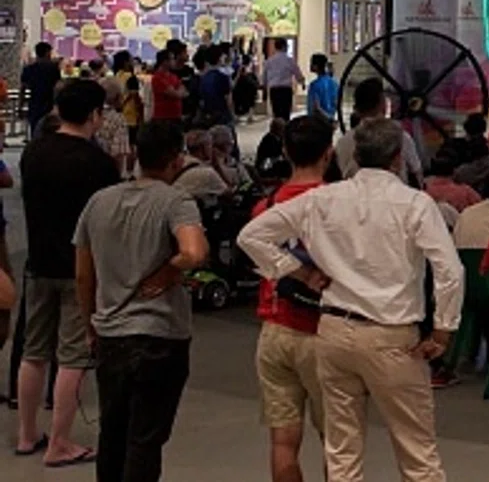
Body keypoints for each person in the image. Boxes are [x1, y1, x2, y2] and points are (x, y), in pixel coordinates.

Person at [238, 118, 464, 482]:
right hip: (391, 336)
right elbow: (450, 270)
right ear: (397, 158)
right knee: (417, 452)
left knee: (342, 453)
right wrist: (443, 329)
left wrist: (297, 272)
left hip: (333, 331)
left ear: (354, 155)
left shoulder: (322, 200)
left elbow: (252, 236)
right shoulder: (415, 204)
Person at [73, 120, 209, 482]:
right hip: (160, 336)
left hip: (111, 334)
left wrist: (90, 325)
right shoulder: (176, 201)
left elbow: (84, 275)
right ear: (176, 160)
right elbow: (194, 252)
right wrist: (168, 273)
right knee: (145, 439)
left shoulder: (99, 202)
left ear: (135, 153)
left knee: (112, 433)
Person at [16, 78, 120, 467]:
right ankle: (60, 442)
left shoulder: (33, 152)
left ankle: (27, 434)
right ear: (95, 114)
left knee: (33, 351)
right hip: (81, 267)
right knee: (73, 356)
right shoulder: (97, 163)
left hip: (37, 263)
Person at [250, 115, 334, 482]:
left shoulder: (266, 207)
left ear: (285, 151)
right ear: (328, 154)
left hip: (275, 328)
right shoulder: (337, 205)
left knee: (283, 442)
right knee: (337, 442)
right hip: (325, 332)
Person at [19, 42, 60, 140]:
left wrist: (20, 105)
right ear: (47, 53)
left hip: (34, 104)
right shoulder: (53, 68)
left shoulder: (28, 69)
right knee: (51, 133)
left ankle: (36, 150)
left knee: (35, 131)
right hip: (49, 104)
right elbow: (57, 87)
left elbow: (23, 88)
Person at [261, 37, 306, 123]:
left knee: (277, 113)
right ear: (284, 47)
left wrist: (264, 87)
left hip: (274, 90)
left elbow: (264, 77)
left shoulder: (269, 61)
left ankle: (278, 130)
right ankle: (285, 131)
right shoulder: (289, 60)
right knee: (285, 114)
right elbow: (297, 74)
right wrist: (302, 82)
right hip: (286, 90)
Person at [305, 55, 339, 122]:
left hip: (317, 122)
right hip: (330, 118)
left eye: (311, 63)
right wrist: (330, 118)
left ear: (316, 66)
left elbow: (316, 108)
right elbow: (336, 103)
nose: (310, 65)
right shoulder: (334, 83)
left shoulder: (314, 85)